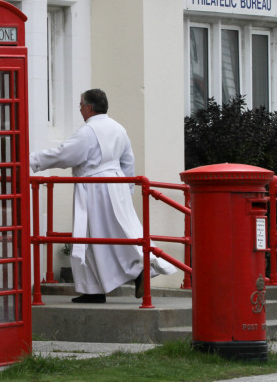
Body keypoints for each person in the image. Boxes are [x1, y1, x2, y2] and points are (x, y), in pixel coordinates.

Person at [29, 88, 177, 303]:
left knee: (92, 237)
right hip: (117, 185)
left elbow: (66, 154)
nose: (80, 109)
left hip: (95, 188)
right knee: (119, 233)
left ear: (89, 107)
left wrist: (33, 159)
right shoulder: (118, 128)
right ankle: (119, 277)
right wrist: (125, 189)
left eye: (80, 105)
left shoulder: (88, 131)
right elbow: (128, 161)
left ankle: (106, 284)